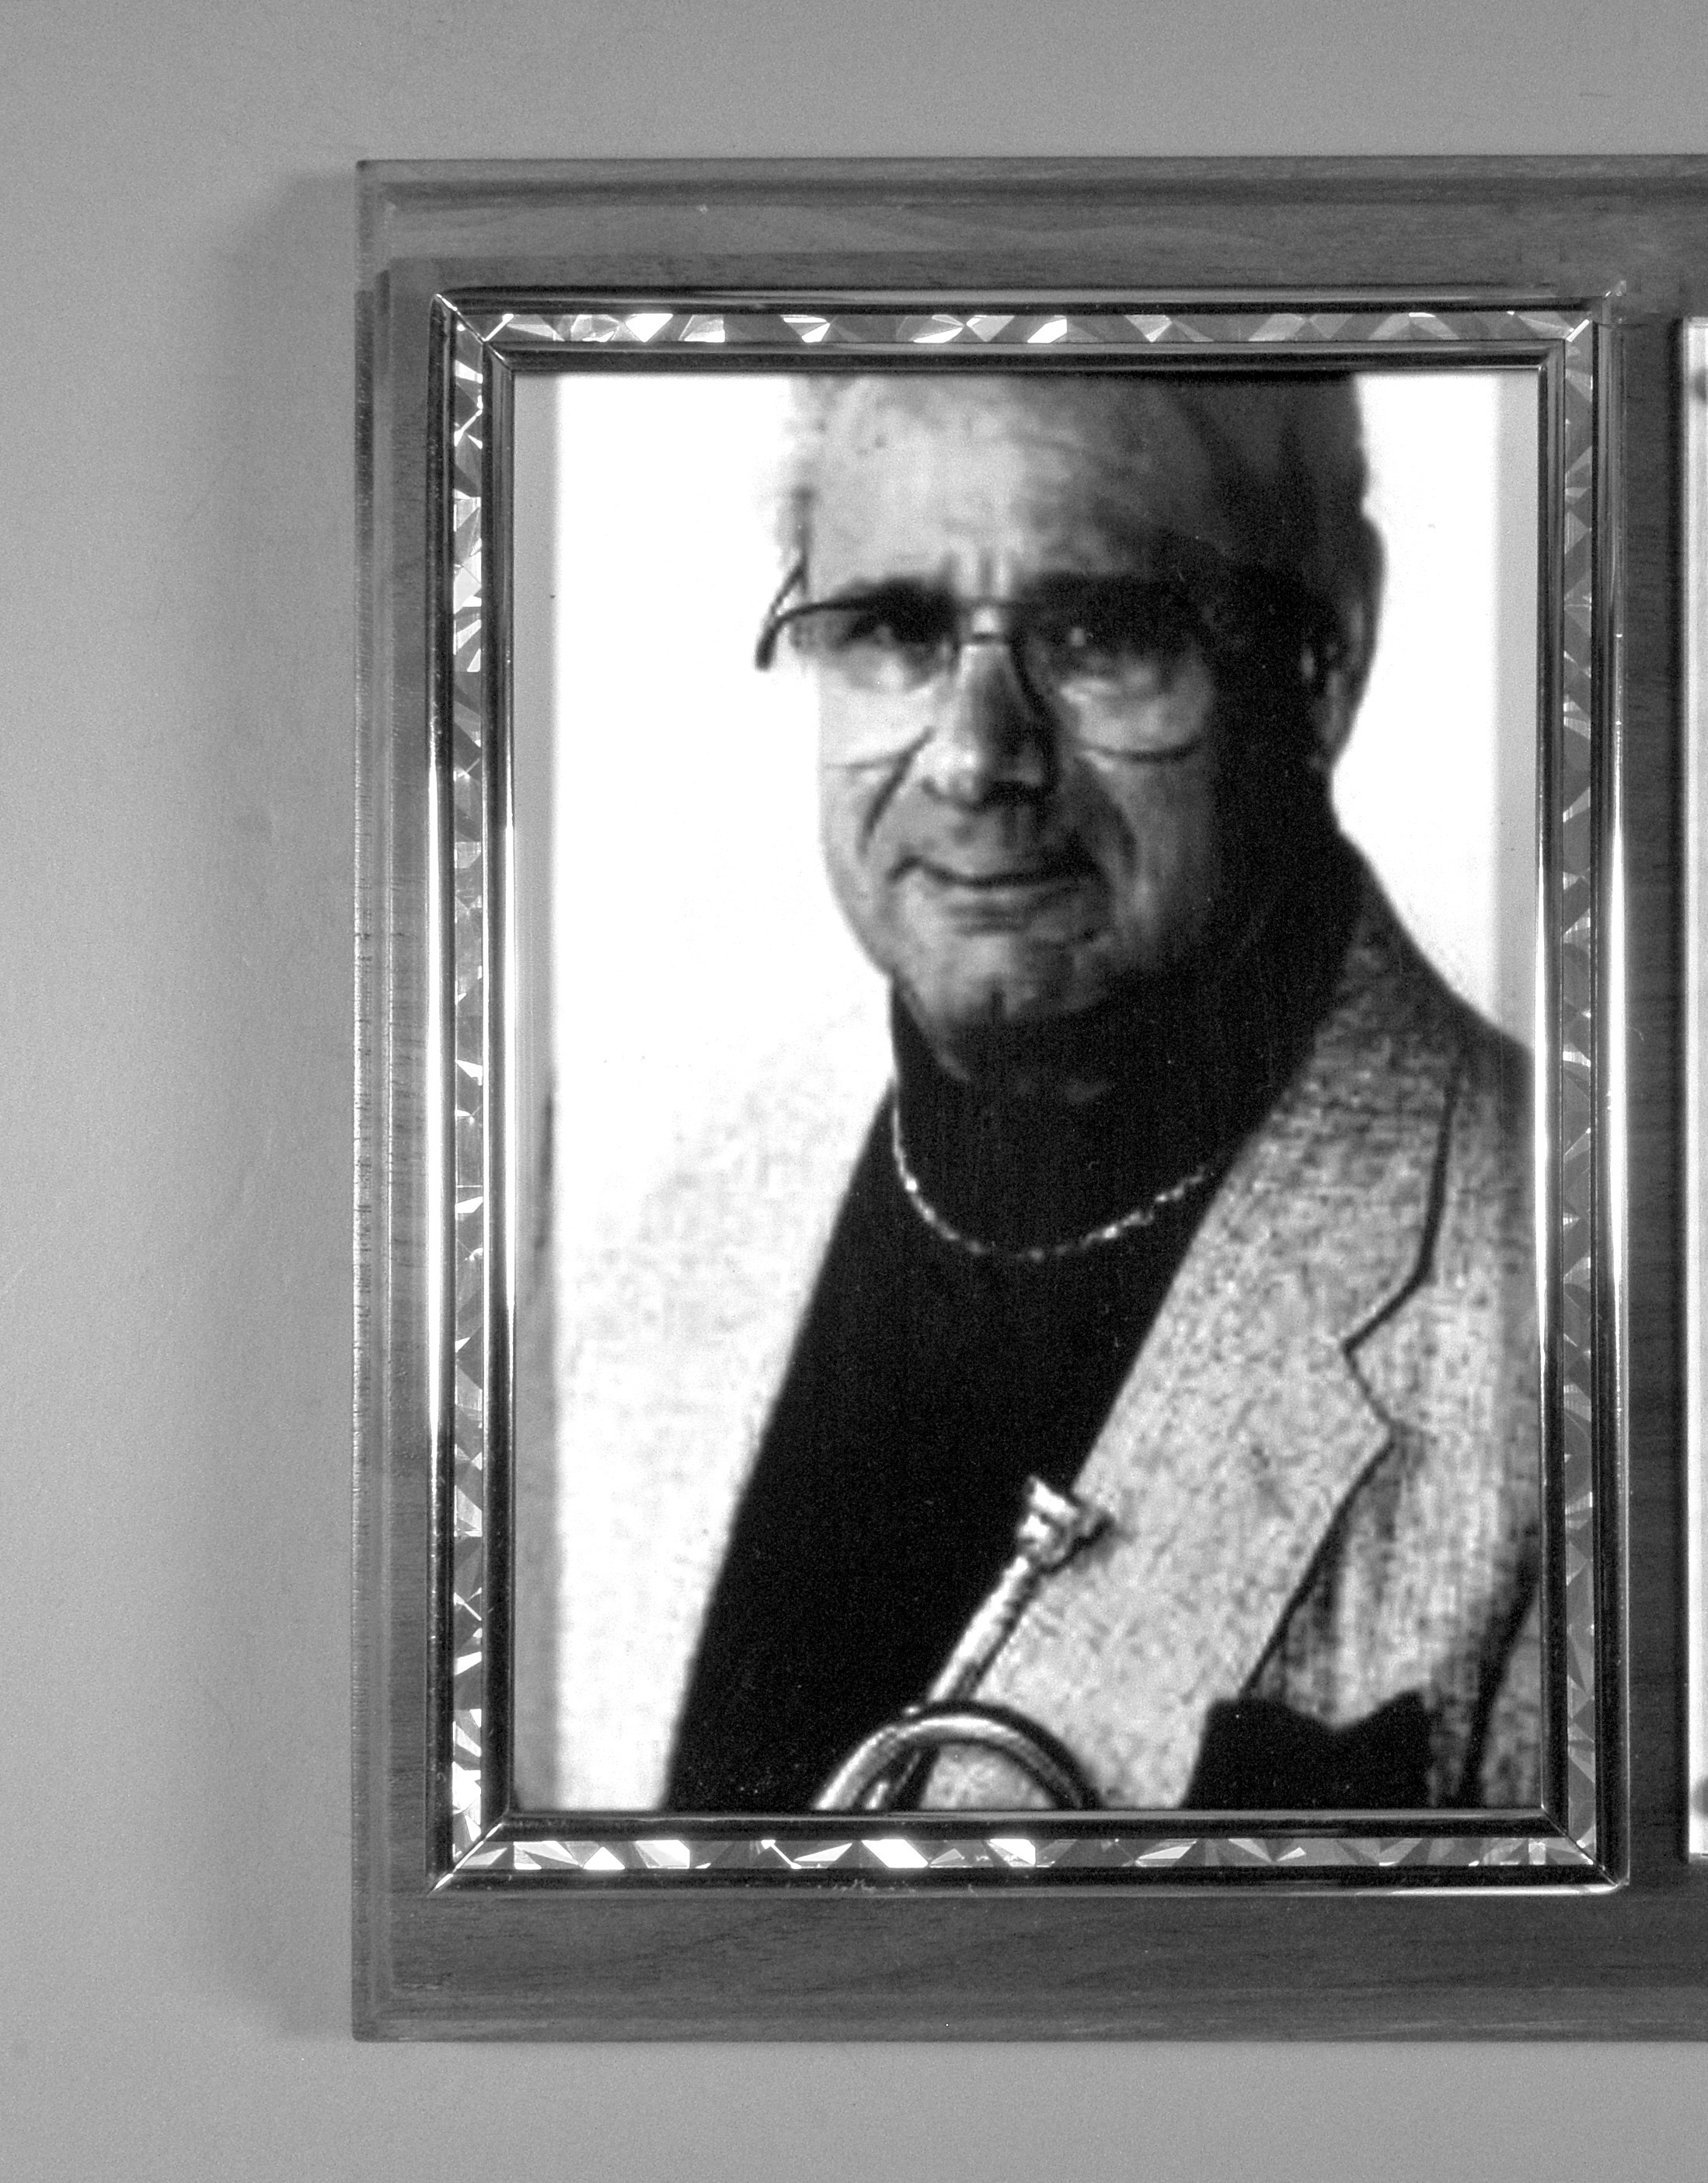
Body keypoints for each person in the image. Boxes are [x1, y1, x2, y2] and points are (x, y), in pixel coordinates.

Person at [530, 371, 1540, 1815]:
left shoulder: (1578, 1327)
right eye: (894, 631)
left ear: (1323, 652)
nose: (973, 757)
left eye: (1100, 634)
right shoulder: (647, 1246)